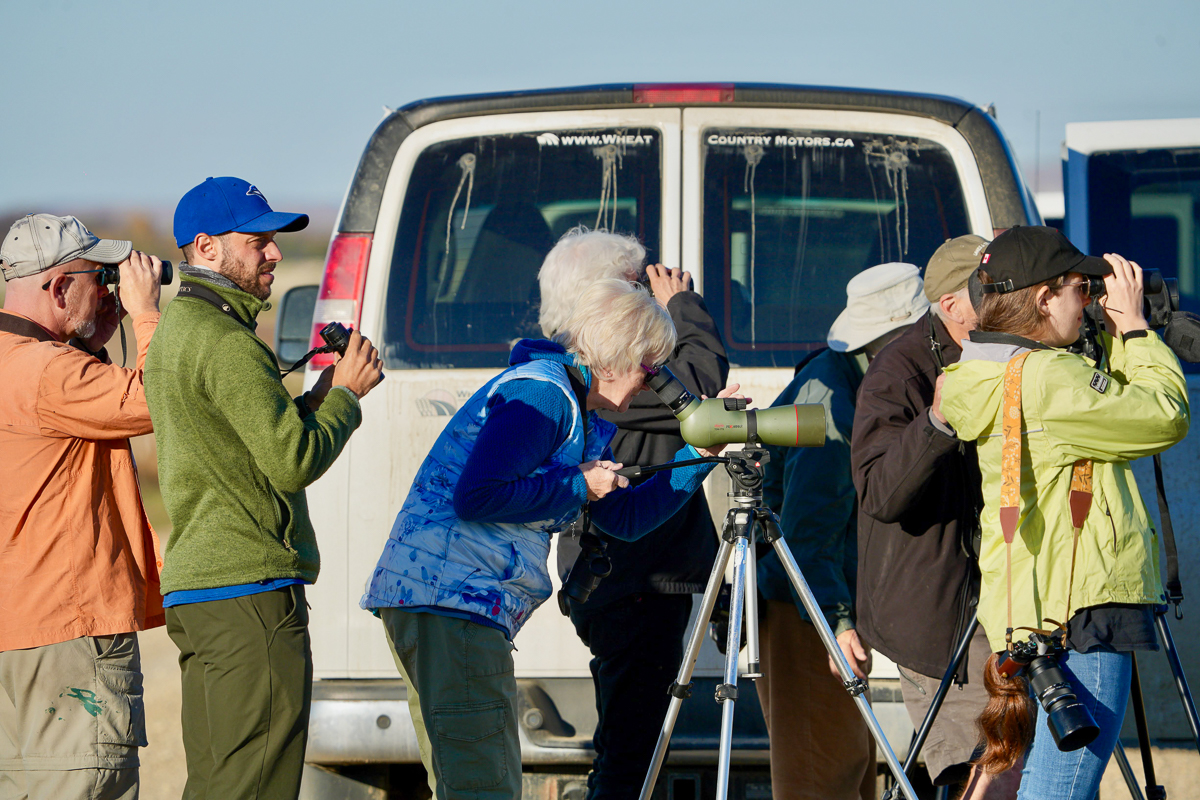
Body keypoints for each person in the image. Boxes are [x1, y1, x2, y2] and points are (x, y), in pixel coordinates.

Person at [361, 278, 742, 800]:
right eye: (648, 368)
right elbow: (478, 496)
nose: (649, 385)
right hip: (450, 602)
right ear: (613, 357)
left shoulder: (579, 409)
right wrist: (578, 483)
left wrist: (703, 453)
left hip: (449, 604)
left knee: (466, 782)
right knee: (484, 787)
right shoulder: (541, 393)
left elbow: (625, 520)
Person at [145, 177, 384, 800]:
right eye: (258, 241)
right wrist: (349, 400)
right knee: (257, 787)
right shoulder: (226, 343)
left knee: (218, 785)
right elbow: (291, 459)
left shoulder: (179, 331)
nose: (273, 254)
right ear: (206, 248)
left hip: (202, 594)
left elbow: (244, 444)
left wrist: (322, 395)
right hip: (249, 597)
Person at [938, 226, 1189, 800]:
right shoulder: (1052, 378)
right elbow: (1164, 414)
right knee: (1063, 787)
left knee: (1048, 778)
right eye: (1081, 287)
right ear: (1043, 298)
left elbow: (1106, 405)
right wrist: (1136, 329)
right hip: (1083, 604)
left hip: (1033, 604)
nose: (1089, 299)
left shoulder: (988, 370)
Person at [538, 229, 728, 799]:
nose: (647, 293)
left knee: (632, 744)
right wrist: (682, 307)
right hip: (632, 582)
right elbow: (699, 388)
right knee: (630, 752)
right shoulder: (603, 378)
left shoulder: (587, 375)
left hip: (626, 577)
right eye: (633, 285)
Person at [0, 214, 165, 799]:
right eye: (98, 278)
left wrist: (88, 345)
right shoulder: (50, 373)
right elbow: (163, 399)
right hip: (70, 633)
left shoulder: (20, 363)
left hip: (16, 630)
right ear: (57, 288)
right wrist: (147, 312)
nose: (107, 289)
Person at [851, 235, 1020, 799]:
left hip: (1000, 600)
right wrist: (937, 421)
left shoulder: (1004, 350)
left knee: (1012, 763)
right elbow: (879, 492)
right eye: (988, 289)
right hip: (938, 614)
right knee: (983, 767)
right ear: (950, 304)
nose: (1004, 298)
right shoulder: (898, 371)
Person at [755, 262, 929, 800]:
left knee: (847, 766)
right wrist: (836, 621)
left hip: (820, 606)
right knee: (821, 775)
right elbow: (809, 535)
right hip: (805, 610)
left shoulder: (852, 381)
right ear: (894, 337)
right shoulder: (830, 401)